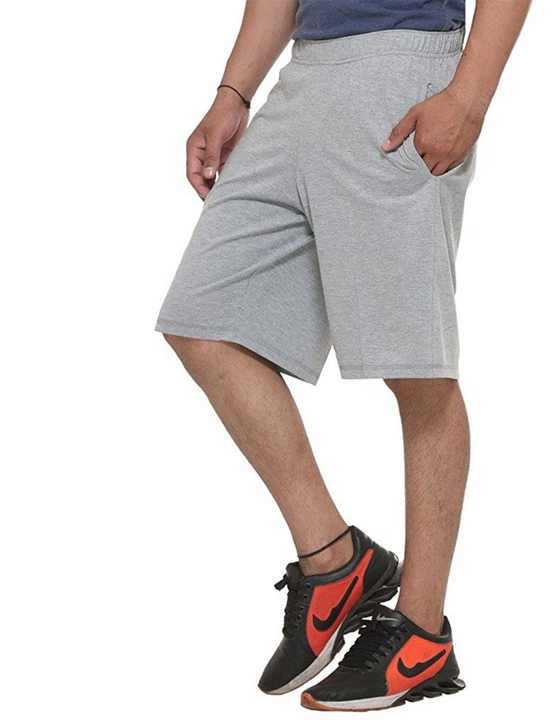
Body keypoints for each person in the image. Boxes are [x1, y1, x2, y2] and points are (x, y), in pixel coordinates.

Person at [156, 0, 529, 711]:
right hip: (302, 81)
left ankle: (422, 633)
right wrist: (233, 93)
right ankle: (333, 561)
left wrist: (470, 96)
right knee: (201, 321)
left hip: (401, 71)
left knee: (415, 367)